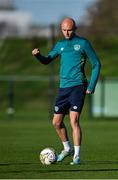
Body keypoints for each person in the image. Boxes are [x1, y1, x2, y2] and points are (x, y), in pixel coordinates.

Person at [32, 17, 101, 165]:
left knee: (73, 120)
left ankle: (76, 156)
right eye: (64, 30)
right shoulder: (60, 45)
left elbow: (96, 64)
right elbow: (46, 60)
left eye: (69, 30)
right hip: (63, 88)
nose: (67, 33)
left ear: (75, 29)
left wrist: (91, 85)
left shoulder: (83, 43)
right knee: (56, 122)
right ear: (61, 29)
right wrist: (38, 56)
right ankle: (67, 148)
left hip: (78, 86)